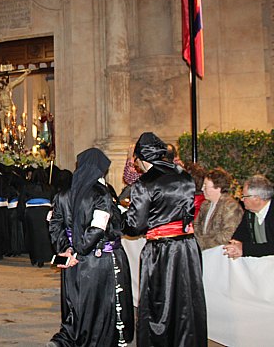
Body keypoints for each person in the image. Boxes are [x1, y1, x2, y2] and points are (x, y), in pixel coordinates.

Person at [123, 132, 207, 347]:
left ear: (141, 158)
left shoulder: (145, 183)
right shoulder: (184, 175)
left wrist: (119, 219)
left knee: (159, 304)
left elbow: (134, 226)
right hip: (187, 247)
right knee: (186, 301)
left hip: (161, 251)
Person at [47, 148, 133, 347]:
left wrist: (66, 248)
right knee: (97, 305)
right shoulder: (101, 194)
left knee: (75, 301)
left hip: (73, 259)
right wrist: (79, 249)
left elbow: (54, 223)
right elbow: (99, 228)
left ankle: (70, 337)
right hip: (96, 260)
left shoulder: (63, 194)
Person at [224, 174, 274, 258]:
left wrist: (244, 249)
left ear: (257, 198)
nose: (242, 199)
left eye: (244, 196)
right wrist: (234, 246)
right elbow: (240, 235)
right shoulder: (249, 213)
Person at [194, 168, 243, 250]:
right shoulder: (205, 205)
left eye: (205, 186)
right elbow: (196, 226)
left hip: (221, 254)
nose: (202, 189)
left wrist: (202, 243)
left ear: (218, 188)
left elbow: (228, 235)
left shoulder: (230, 206)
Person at [19, 167, 54, 267]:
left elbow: (22, 201)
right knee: (44, 236)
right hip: (45, 213)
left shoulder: (27, 187)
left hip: (31, 213)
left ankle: (34, 258)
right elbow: (54, 201)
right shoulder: (50, 188)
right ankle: (44, 257)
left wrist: (21, 214)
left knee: (32, 236)